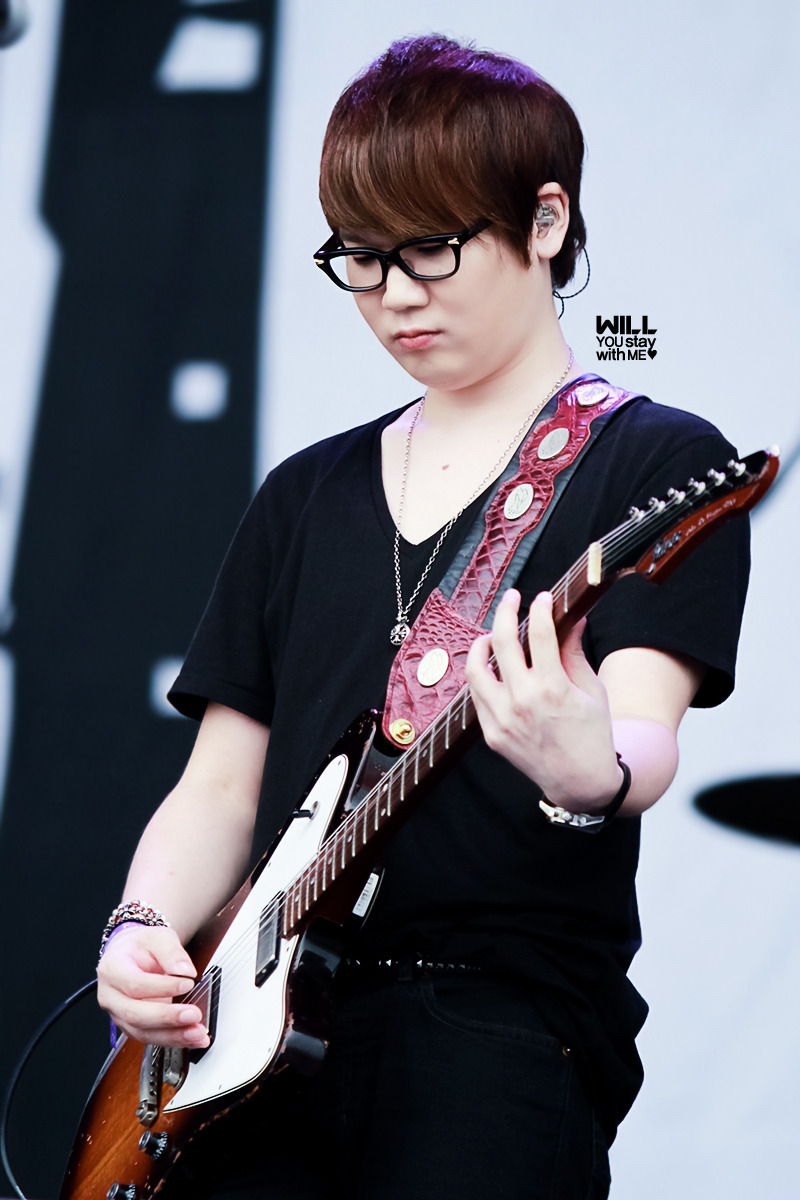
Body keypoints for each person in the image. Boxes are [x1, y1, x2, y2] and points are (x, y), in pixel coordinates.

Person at [95, 34, 749, 1199]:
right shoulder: (303, 495)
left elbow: (641, 733)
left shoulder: (651, 461)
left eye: (432, 248)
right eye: (360, 258)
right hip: (248, 1056)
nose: (395, 295)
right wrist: (140, 925)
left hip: (490, 1026)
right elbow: (220, 789)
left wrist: (585, 770)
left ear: (543, 221)